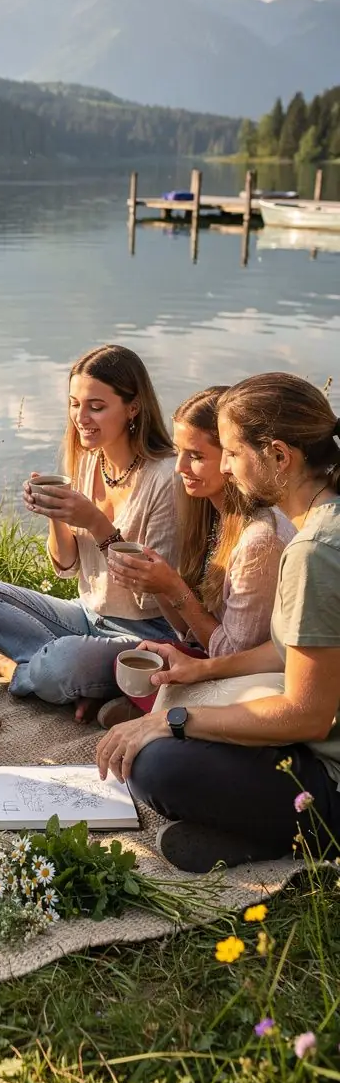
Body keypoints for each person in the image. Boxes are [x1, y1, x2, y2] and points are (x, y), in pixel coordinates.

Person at [97, 372, 340, 873]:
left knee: (153, 763)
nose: (225, 468)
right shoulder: (323, 522)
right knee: (181, 714)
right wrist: (203, 671)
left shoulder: (314, 551)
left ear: (278, 456)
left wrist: (173, 722)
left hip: (331, 779)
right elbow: (295, 648)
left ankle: (299, 838)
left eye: (230, 452)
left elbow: (306, 715)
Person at [0, 344, 179, 719]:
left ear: (133, 407)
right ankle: (96, 681)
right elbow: (67, 566)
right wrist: (54, 513)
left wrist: (96, 522)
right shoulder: (92, 460)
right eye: (74, 404)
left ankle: (19, 671)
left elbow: (151, 596)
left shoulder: (165, 477)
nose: (81, 417)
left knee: (65, 662)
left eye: (96, 405)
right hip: (87, 615)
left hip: (148, 634)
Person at [101, 386, 294, 727]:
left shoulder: (258, 540)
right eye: (178, 452)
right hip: (209, 661)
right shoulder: (207, 514)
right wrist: (156, 583)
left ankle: (160, 707)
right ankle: (153, 703)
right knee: (129, 661)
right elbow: (186, 632)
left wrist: (174, 588)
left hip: (250, 676)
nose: (179, 467)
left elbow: (231, 656)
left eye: (195, 455)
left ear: (229, 457)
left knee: (96, 665)